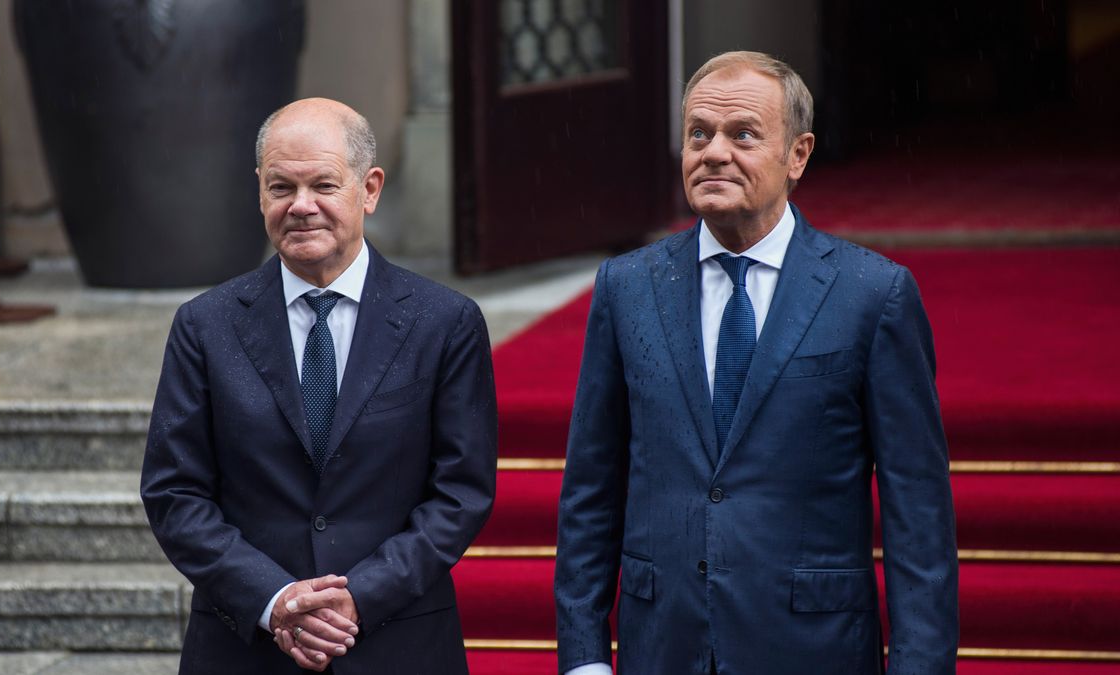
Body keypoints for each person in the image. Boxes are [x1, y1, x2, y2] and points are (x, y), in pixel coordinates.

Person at [553, 51, 958, 674]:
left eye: (742, 135)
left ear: (798, 155)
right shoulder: (626, 287)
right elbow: (591, 487)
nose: (713, 152)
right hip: (662, 645)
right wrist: (583, 658)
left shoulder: (872, 293)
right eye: (698, 134)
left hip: (812, 649)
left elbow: (918, 516)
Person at [141, 98, 497, 674]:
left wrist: (356, 597)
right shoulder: (205, 325)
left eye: (324, 185)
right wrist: (276, 601)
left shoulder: (444, 322)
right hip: (246, 648)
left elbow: (461, 492)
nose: (301, 206)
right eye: (281, 187)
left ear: (370, 189)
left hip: (396, 643)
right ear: (259, 191)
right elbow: (174, 493)